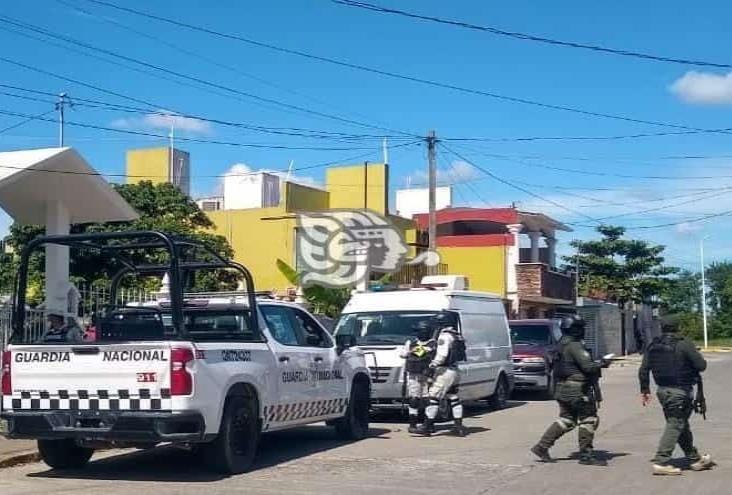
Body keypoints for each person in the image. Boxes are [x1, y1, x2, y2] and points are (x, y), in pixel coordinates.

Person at [638, 316, 714, 476]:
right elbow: (701, 366)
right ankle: (661, 461)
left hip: (662, 391)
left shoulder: (653, 345)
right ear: (677, 327)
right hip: (680, 392)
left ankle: (694, 458)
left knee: (681, 424)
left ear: (662, 327)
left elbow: (643, 370)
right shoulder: (684, 344)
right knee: (675, 424)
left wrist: (645, 390)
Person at [531, 315, 610, 466]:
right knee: (589, 420)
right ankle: (586, 455)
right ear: (575, 329)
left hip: (562, 388)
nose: (583, 331)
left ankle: (542, 447)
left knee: (566, 420)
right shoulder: (574, 346)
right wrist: (603, 363)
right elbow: (588, 367)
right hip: (577, 390)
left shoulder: (560, 344)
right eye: (581, 328)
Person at [415, 311, 467, 437]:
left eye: (438, 321)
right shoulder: (456, 334)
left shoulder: (444, 336)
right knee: (453, 397)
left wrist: (432, 365)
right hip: (455, 370)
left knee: (433, 397)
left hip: (445, 371)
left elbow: (442, 355)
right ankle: (458, 426)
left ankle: (426, 426)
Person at [400, 320, 437, 433]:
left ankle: (428, 424)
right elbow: (403, 354)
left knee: (428, 400)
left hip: (428, 375)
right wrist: (414, 350)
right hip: (413, 374)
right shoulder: (411, 342)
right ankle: (413, 424)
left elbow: (431, 354)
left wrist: (415, 350)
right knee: (413, 399)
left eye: (422, 331)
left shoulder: (433, 343)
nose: (420, 333)